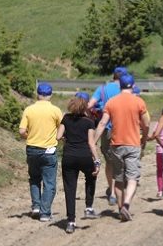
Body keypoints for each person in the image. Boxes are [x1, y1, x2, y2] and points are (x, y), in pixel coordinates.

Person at [93, 74, 150, 221]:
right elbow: (147, 123)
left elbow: (102, 124)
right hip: (133, 144)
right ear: (133, 85)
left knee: (118, 179)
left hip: (116, 144)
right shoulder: (139, 102)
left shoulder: (111, 102)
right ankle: (126, 204)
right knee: (132, 178)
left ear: (120, 86)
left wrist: (93, 142)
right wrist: (144, 137)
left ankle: (120, 209)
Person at [18, 83, 62, 222]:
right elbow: (62, 127)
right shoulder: (55, 110)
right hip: (49, 150)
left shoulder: (29, 110)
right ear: (50, 95)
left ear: (37, 94)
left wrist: (29, 137)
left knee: (34, 178)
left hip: (32, 149)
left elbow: (21, 131)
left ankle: (36, 206)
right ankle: (45, 212)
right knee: (49, 183)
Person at [57, 95, 100, 234]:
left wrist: (66, 138)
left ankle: (70, 221)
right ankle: (88, 207)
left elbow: (58, 137)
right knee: (91, 177)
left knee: (70, 189)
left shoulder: (66, 118)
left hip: (69, 157)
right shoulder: (88, 122)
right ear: (84, 107)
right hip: (85, 156)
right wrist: (97, 160)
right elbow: (91, 143)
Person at [87, 66, 126, 206]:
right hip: (124, 130)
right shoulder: (126, 90)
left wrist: (93, 115)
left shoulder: (102, 89)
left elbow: (89, 105)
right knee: (123, 160)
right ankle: (121, 189)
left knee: (110, 162)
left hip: (107, 129)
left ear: (113, 76)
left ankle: (112, 191)